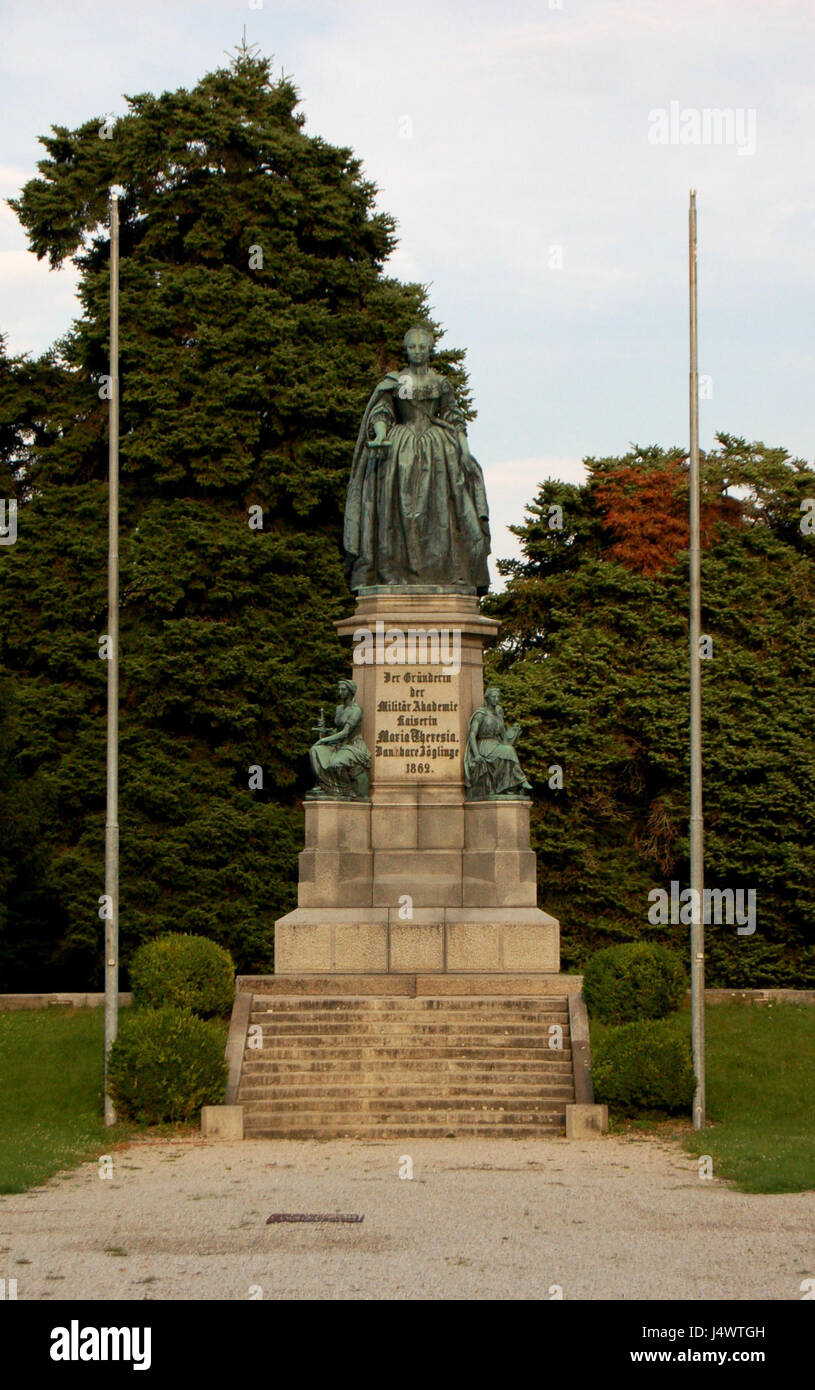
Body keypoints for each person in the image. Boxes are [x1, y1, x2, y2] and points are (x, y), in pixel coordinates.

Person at [343, 324, 491, 593]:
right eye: (413, 347)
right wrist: (379, 435)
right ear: (406, 349)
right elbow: (382, 412)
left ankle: (446, 571)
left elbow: (454, 418)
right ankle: (393, 572)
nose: (418, 351)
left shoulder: (440, 383)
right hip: (400, 451)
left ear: (430, 349)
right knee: (398, 509)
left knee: (443, 510)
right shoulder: (395, 381)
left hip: (438, 451)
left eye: (423, 346)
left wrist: (464, 451)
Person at [464, 686, 532, 800]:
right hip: (484, 745)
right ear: (487, 698)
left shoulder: (499, 714)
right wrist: (476, 754)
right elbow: (472, 735)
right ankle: (522, 780)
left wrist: (513, 733)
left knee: (508, 751)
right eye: (493, 697)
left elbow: (503, 737)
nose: (496, 699)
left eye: (497, 697)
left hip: (496, 745)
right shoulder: (480, 714)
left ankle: (509, 786)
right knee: (508, 751)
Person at [307, 680, 370, 800]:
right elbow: (338, 731)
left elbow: (345, 732)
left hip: (353, 746)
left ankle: (346, 789)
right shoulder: (339, 709)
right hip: (339, 744)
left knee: (335, 763)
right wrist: (326, 730)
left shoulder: (356, 710)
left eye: (343, 689)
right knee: (315, 750)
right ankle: (326, 785)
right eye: (339, 689)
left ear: (351, 691)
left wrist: (323, 740)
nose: (340, 692)